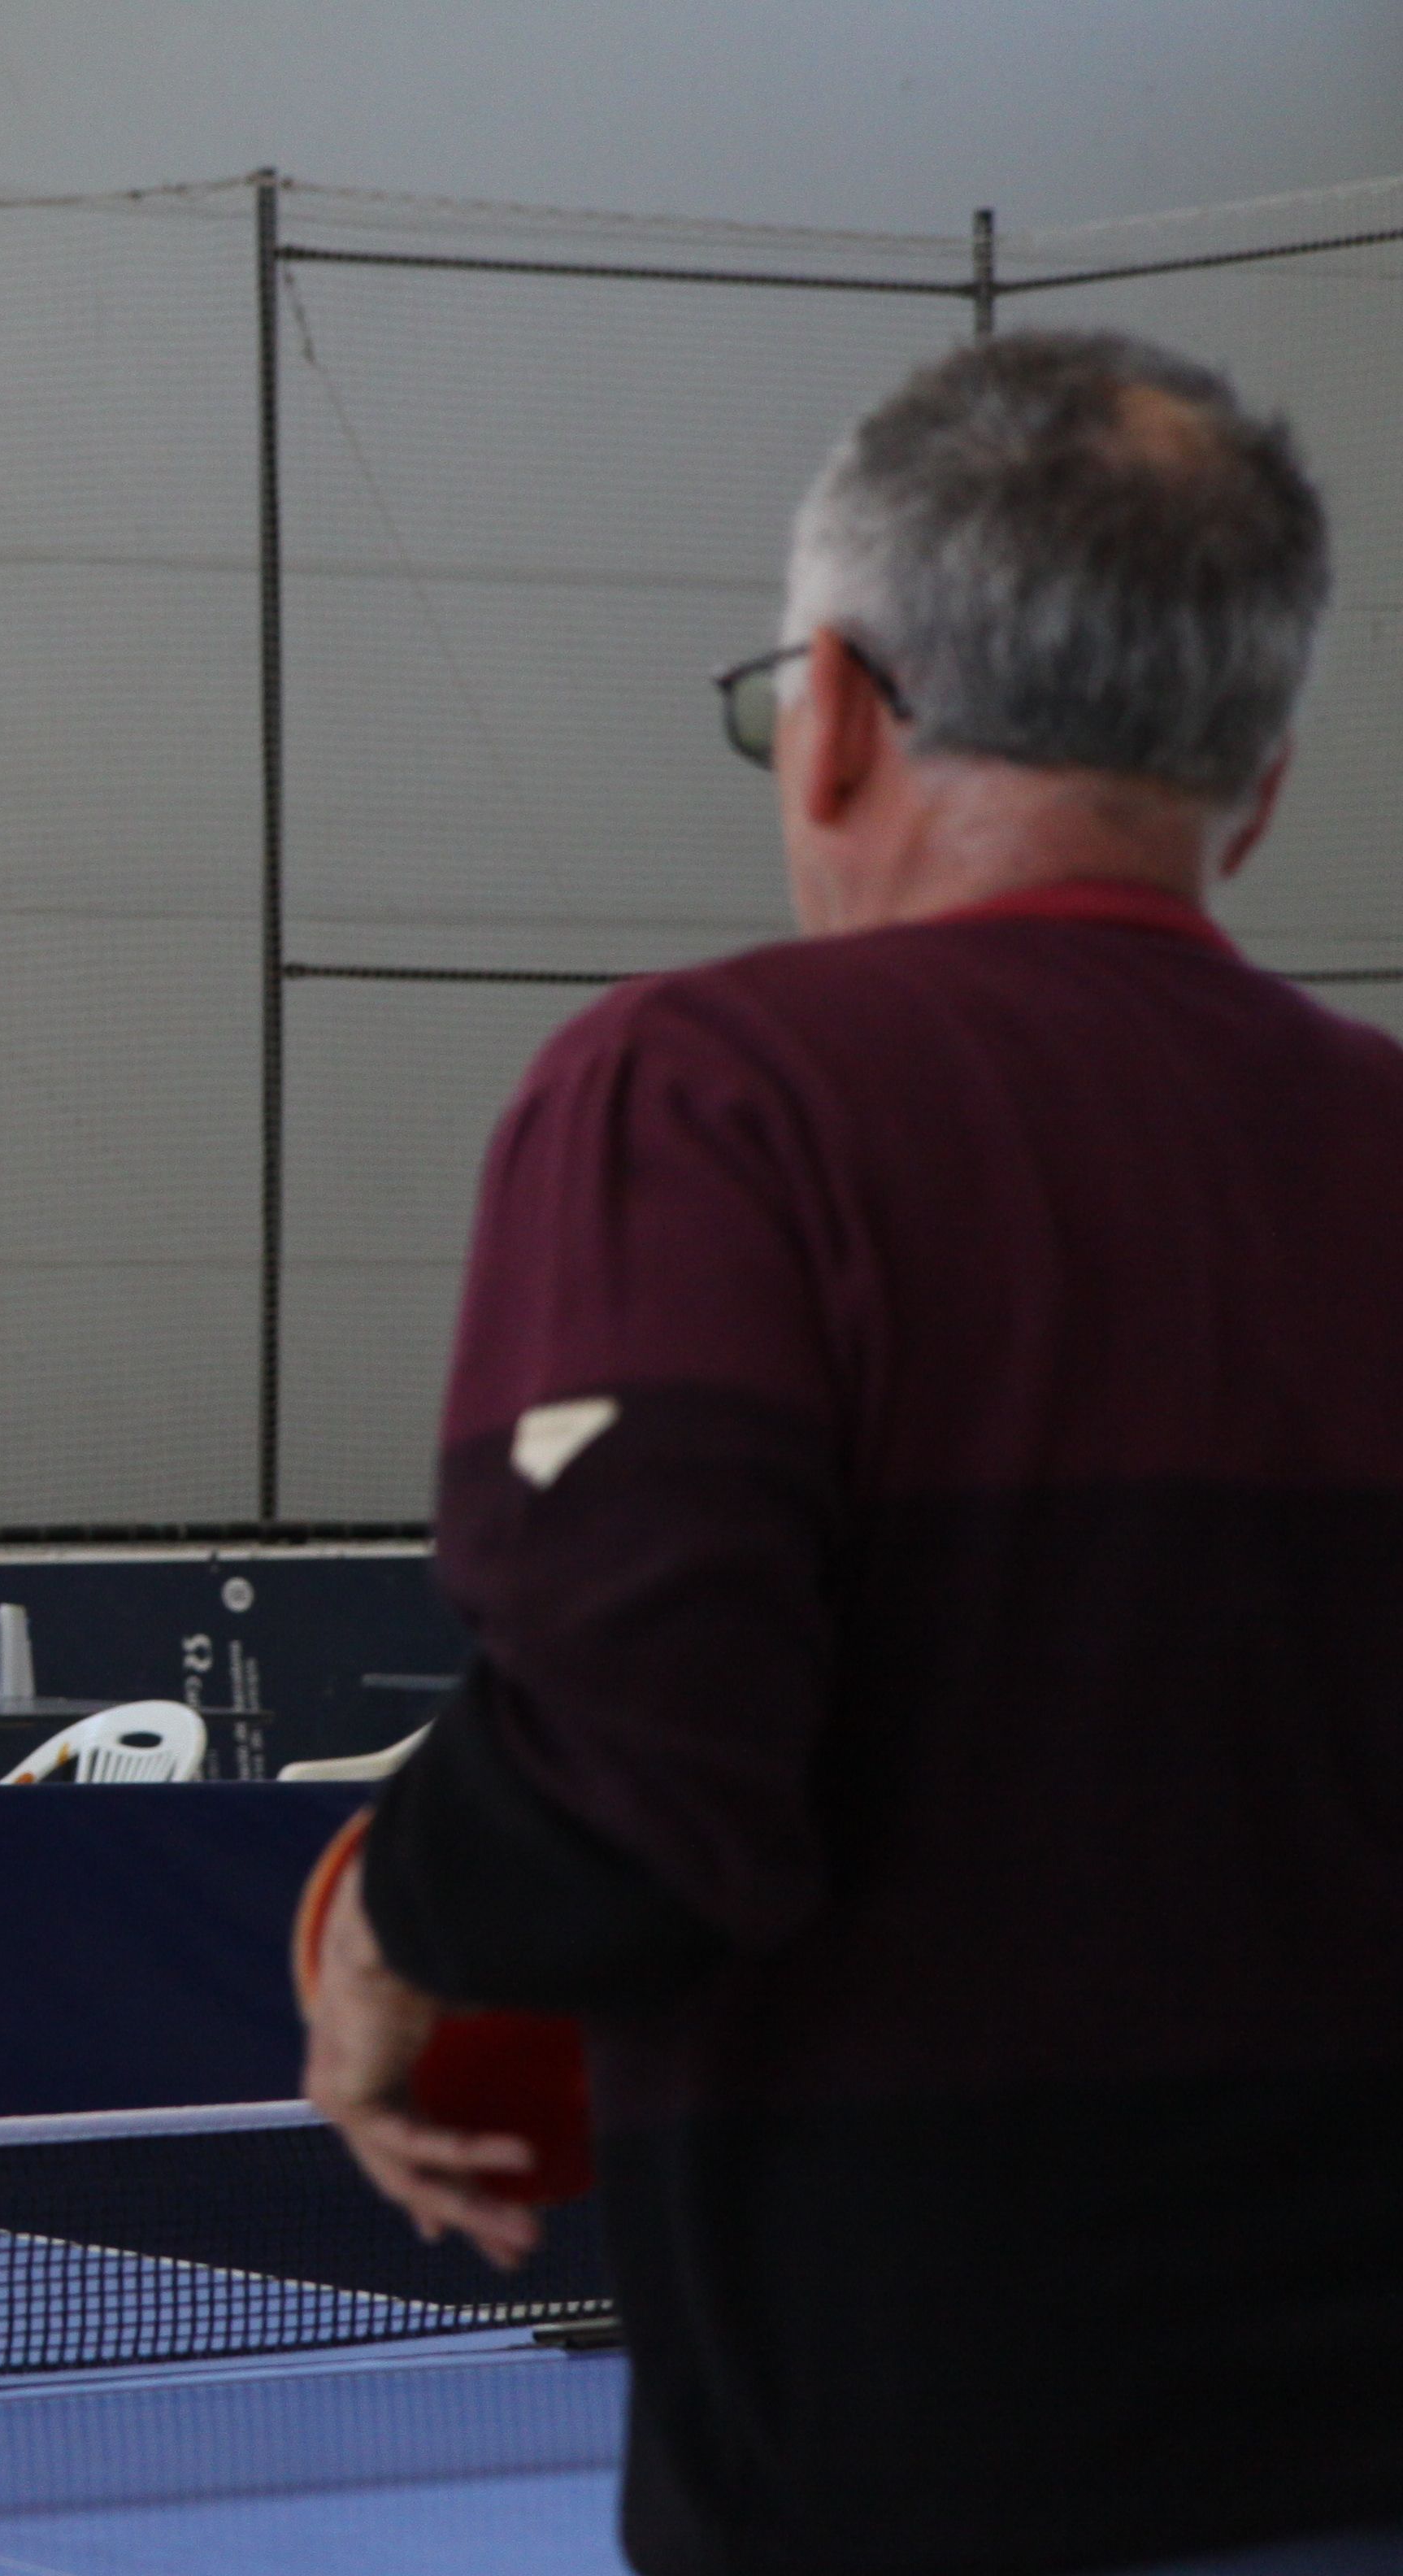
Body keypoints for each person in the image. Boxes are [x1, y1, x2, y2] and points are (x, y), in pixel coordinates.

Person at [299, 330, 1403, 2573]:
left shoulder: (704, 1100)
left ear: (832, 718)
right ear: (1264, 785)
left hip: (909, 2490)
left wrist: (394, 1937)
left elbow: (641, 1810)